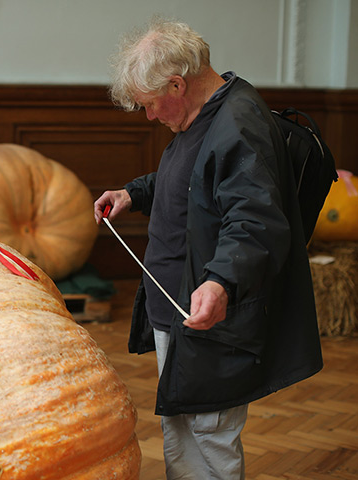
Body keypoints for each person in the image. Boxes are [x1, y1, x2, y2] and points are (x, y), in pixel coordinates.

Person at [94, 19, 323, 479]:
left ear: (178, 83)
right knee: (184, 427)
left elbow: (255, 221)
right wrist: (133, 194)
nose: (150, 117)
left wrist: (221, 283)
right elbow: (195, 184)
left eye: (151, 104)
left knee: (209, 432)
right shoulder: (203, 115)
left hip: (209, 314)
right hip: (179, 308)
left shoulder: (239, 124)